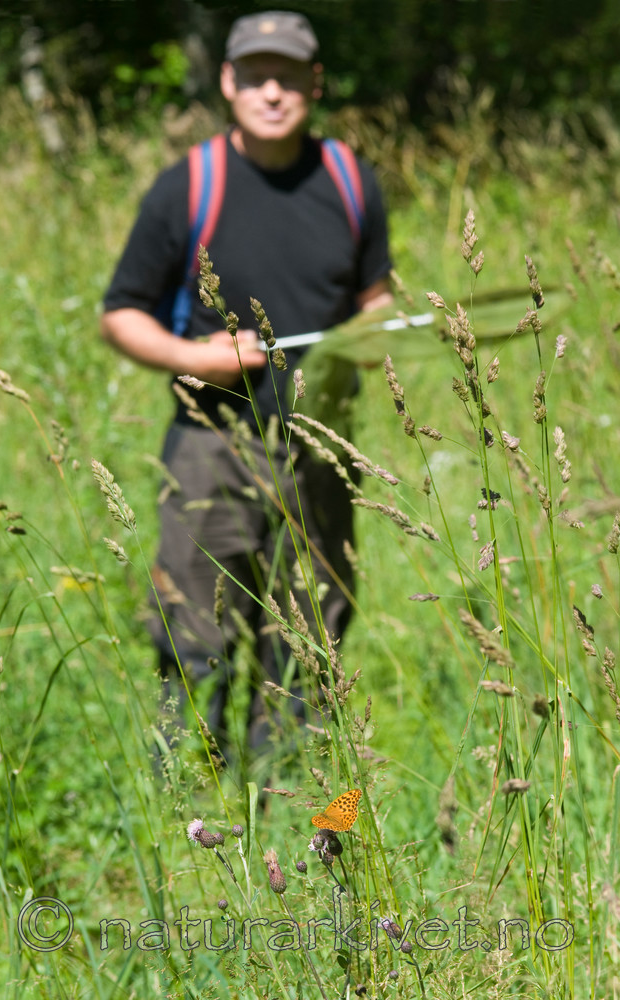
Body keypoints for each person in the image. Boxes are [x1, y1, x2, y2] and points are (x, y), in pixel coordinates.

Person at [101, 10, 393, 749]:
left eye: (289, 76)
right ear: (228, 83)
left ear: (313, 84)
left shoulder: (350, 179)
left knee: (311, 644)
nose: (273, 91)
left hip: (319, 445)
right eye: (257, 75)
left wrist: (374, 333)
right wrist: (195, 358)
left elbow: (374, 293)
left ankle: (300, 814)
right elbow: (121, 312)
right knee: (192, 635)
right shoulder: (188, 185)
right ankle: (192, 810)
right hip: (211, 440)